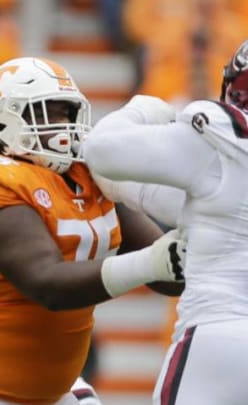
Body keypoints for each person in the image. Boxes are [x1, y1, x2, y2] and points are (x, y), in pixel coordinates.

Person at [0, 57, 185, 405]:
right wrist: (150, 263)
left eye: (67, 114)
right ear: (4, 119)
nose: (63, 127)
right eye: (48, 114)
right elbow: (47, 284)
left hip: (50, 390)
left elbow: (170, 275)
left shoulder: (89, 177)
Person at [83, 39, 248, 405]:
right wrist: (118, 187)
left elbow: (100, 149)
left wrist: (143, 109)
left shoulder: (223, 138)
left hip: (218, 332)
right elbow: (203, 207)